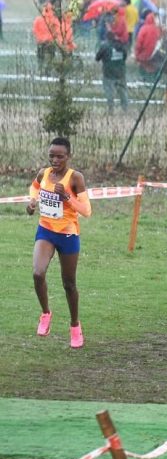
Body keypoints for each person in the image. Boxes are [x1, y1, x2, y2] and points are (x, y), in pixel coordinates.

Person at [26, 137, 92, 348]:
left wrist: (67, 198)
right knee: (38, 273)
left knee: (69, 284)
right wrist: (32, 202)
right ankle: (46, 313)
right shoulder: (44, 173)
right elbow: (34, 188)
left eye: (60, 156)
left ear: (68, 157)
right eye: (52, 155)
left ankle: (75, 325)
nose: (55, 160)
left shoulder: (75, 178)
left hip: (68, 235)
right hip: (46, 230)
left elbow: (87, 211)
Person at [95, 34, 128, 113]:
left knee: (109, 92)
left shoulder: (104, 46)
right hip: (120, 73)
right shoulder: (121, 46)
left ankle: (111, 109)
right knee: (123, 92)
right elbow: (125, 57)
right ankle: (125, 109)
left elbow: (97, 58)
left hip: (108, 74)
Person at [134, 12, 163, 81]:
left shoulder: (144, 29)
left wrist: (137, 54)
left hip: (144, 53)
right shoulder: (157, 29)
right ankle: (154, 80)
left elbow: (139, 42)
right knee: (153, 67)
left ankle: (145, 80)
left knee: (144, 67)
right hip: (155, 53)